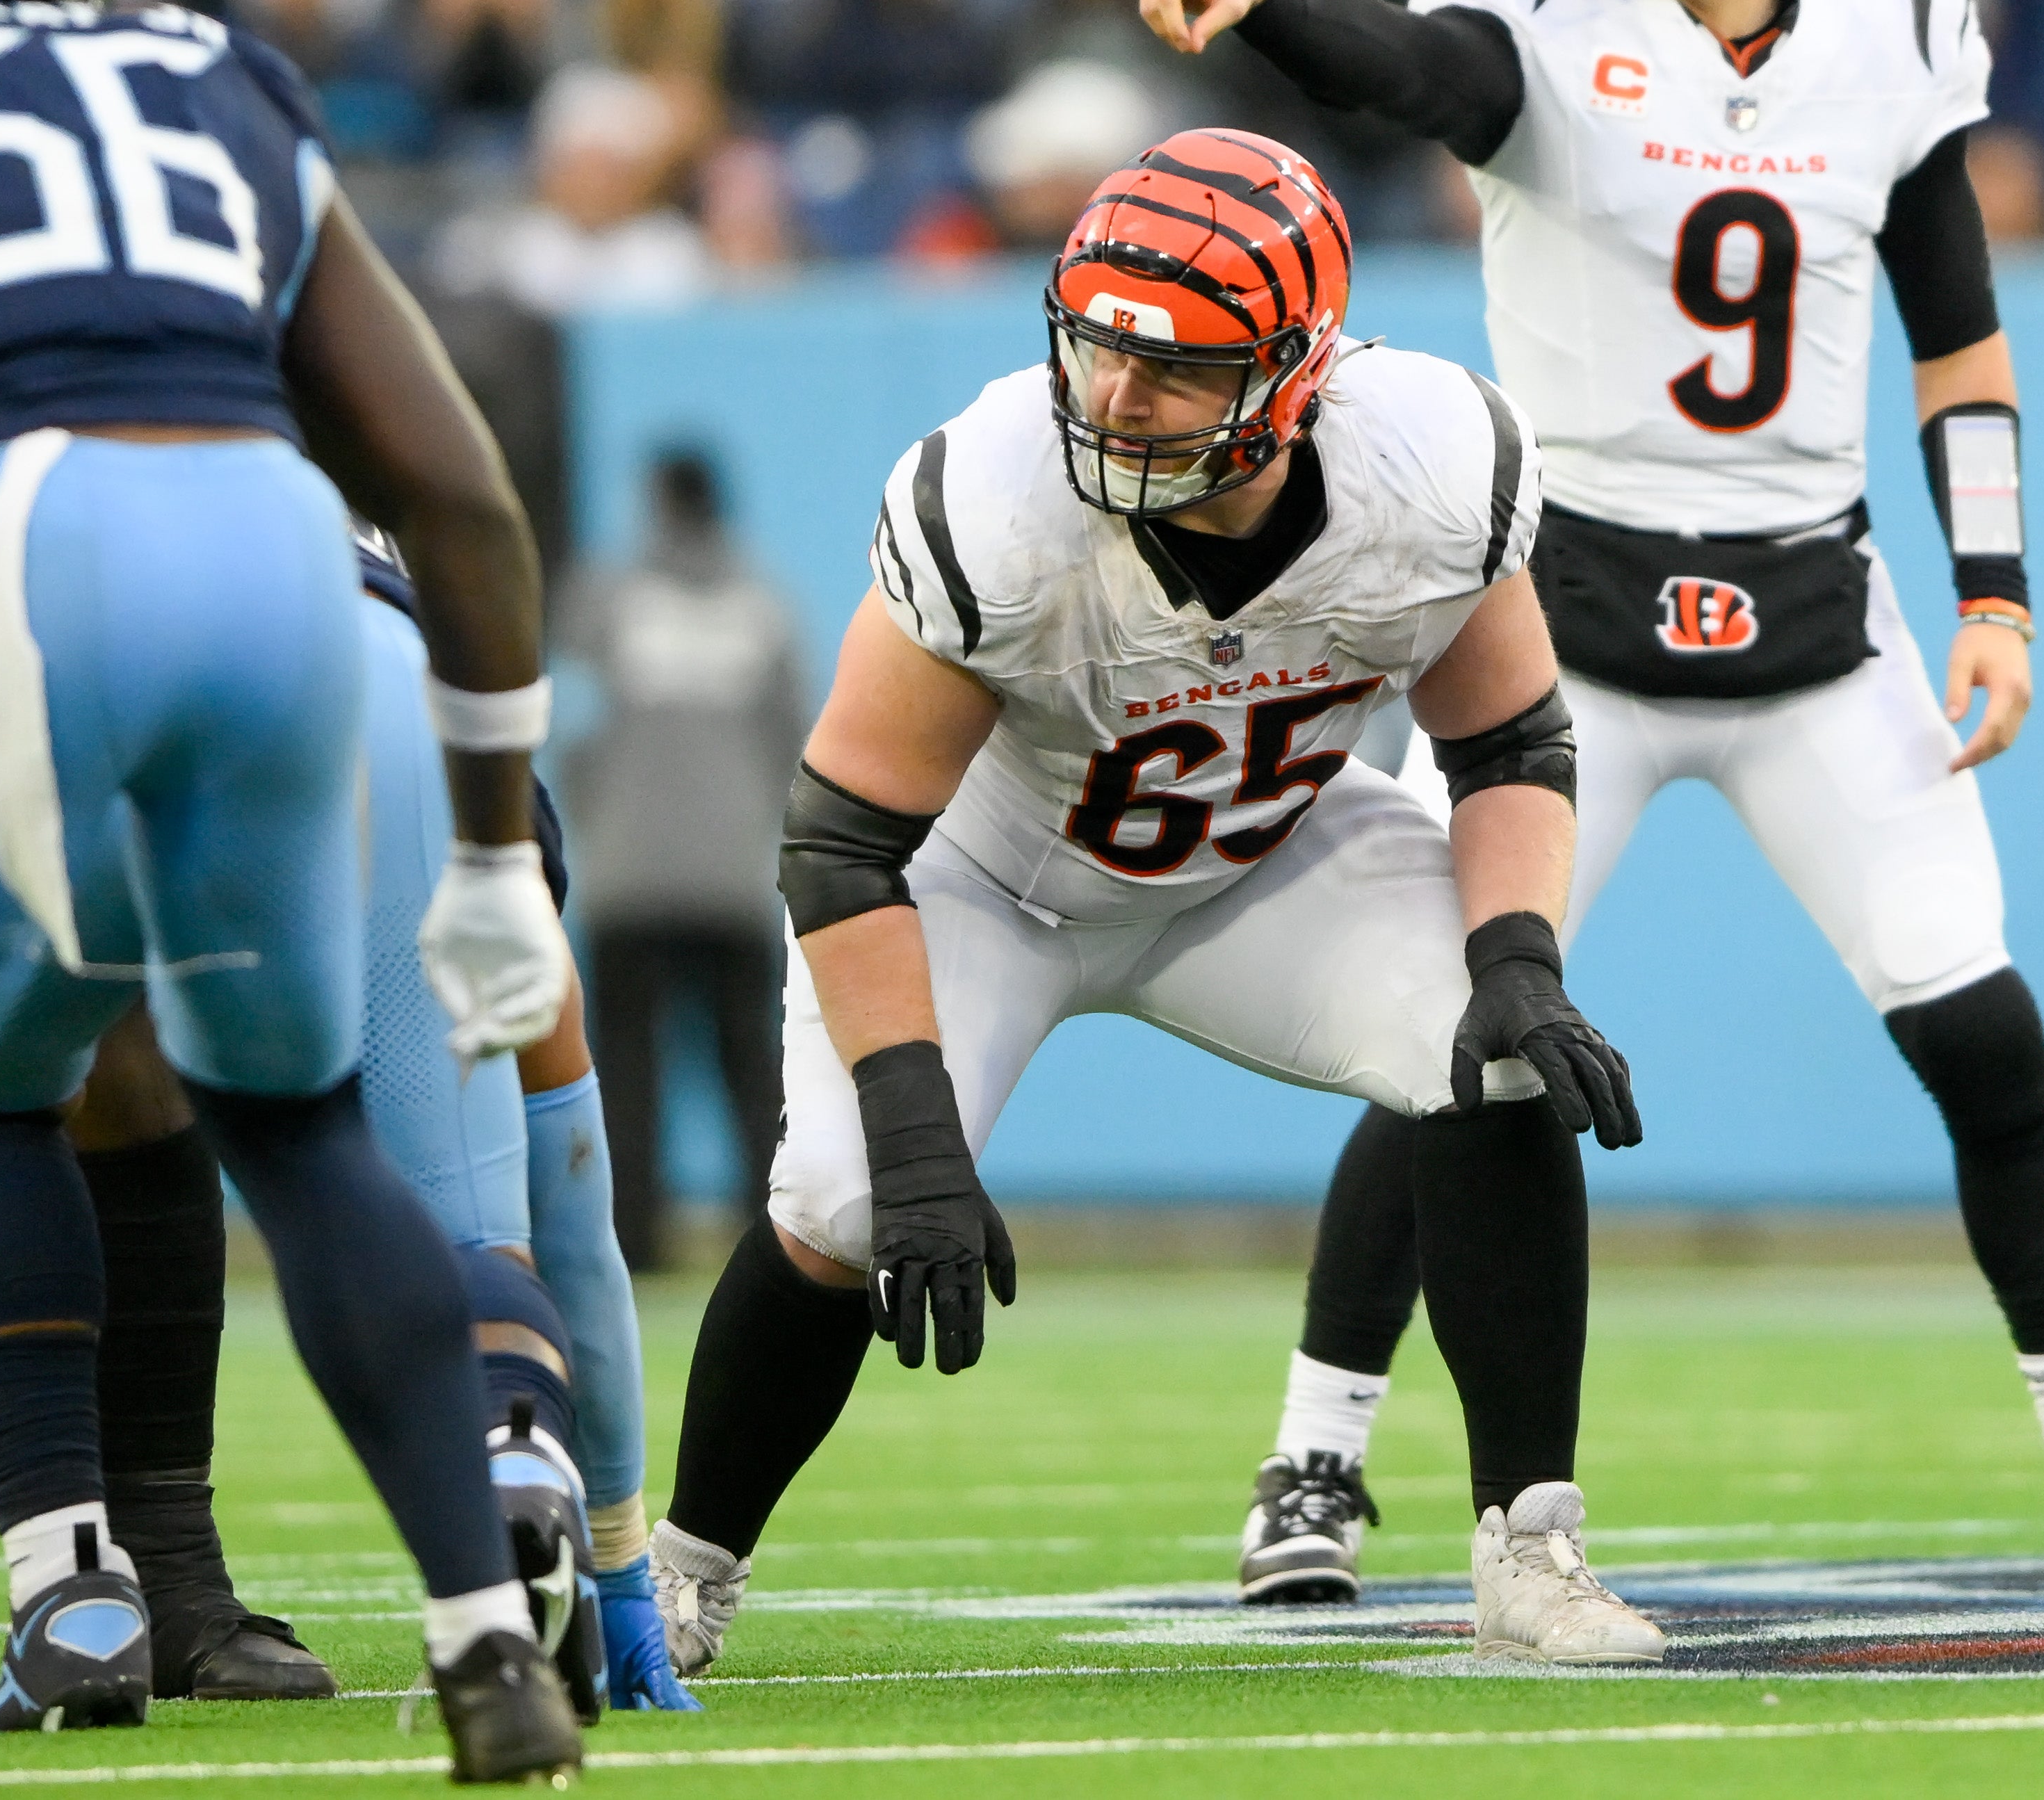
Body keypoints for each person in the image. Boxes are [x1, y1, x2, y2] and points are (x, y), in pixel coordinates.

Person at [1139, 0, 2044, 1605]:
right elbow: (1420, 69)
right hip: (1553, 619)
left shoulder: (1891, 19)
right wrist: (1275, 9)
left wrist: (2000, 596)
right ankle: (1313, 1458)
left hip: (1816, 604)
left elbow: (1954, 338)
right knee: (1442, 1037)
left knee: (1984, 1030)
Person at [647, 130, 1662, 1673]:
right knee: (849, 1200)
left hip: (1264, 855)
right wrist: (921, 1133)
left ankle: (1528, 1542)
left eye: (1176, 370)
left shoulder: (1433, 464)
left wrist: (1518, 952)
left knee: (1496, 1040)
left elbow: (1506, 733)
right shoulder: (994, 493)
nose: (1117, 399)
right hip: (980, 882)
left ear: (1297, 374)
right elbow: (844, 839)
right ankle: (681, 1564)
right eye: (1102, 347)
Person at [0, 0, 581, 1778]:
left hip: (27, 534)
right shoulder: (220, 76)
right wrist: (488, 858)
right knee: (288, 1121)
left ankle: (71, 1584)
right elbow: (459, 494)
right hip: (290, 545)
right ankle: (486, 1632)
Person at [60, 537, 702, 1714]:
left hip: (54, 649)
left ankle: (73, 1591)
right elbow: (572, 1204)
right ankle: (517, 1468)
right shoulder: (387, 520)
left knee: (15, 1103)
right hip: (382, 694)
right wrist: (617, 1561)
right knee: (468, 1227)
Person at [561, 451, 806, 1267]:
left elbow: (569, 721)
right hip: (733, 881)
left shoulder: (606, 594)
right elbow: (794, 750)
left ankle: (635, 1245)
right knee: (754, 1074)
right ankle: (778, 1240)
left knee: (629, 1074)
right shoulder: (763, 605)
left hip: (629, 875)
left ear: (656, 500)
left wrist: (598, 813)